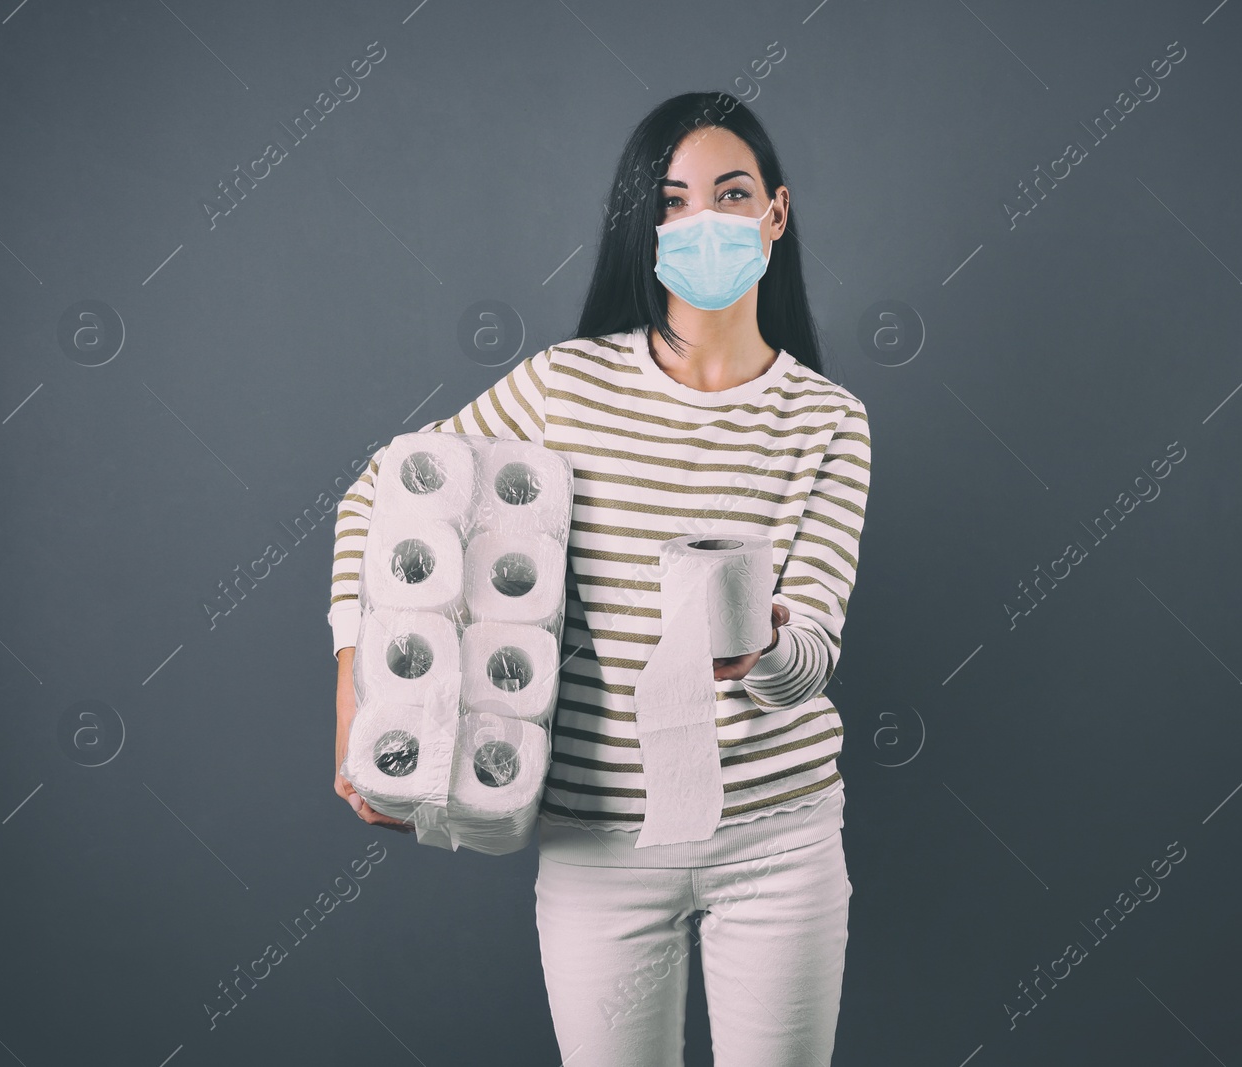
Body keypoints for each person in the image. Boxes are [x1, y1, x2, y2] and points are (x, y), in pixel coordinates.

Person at [328, 91, 871, 1067]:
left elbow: (811, 658)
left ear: (775, 215)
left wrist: (760, 644)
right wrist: (358, 690)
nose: (703, 220)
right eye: (672, 201)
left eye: (730, 193)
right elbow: (380, 491)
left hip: (776, 841)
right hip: (597, 845)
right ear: (644, 226)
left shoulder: (827, 419)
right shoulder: (563, 384)